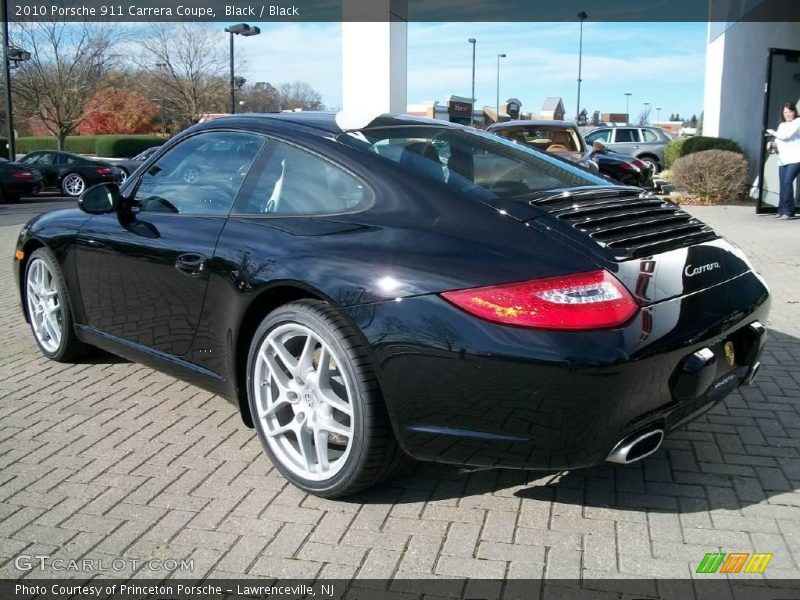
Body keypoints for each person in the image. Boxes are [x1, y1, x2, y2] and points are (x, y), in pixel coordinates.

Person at [767, 102, 800, 220]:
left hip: (796, 158)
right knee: (783, 184)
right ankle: (782, 210)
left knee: (787, 182)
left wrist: (772, 132)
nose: (788, 114)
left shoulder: (798, 122)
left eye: (790, 111)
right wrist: (771, 143)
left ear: (794, 112)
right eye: (785, 112)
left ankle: (788, 211)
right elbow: (779, 140)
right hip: (783, 159)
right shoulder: (782, 125)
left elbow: (786, 136)